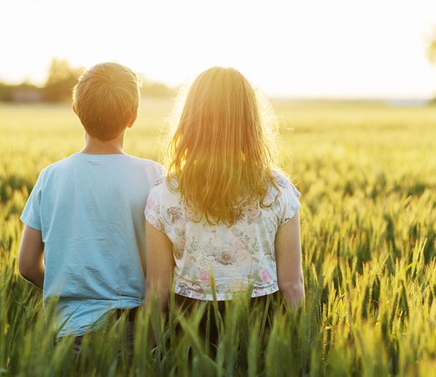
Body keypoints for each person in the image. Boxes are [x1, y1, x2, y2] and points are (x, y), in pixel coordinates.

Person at [144, 67, 304, 343]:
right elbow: (291, 285)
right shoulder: (278, 190)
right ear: (250, 121)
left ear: (191, 119)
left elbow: (157, 287)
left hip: (191, 325)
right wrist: (301, 349)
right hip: (260, 322)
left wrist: (150, 352)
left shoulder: (164, 192)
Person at [17, 62, 164, 340]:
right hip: (134, 328)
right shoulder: (153, 175)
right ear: (132, 117)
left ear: (76, 110)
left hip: (66, 329)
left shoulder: (50, 177)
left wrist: (65, 290)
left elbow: (26, 265)